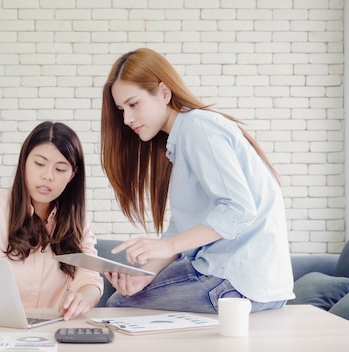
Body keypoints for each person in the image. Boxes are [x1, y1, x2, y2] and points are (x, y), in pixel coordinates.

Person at [99, 48, 295, 313]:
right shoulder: (182, 141)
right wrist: (144, 276)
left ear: (164, 92)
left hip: (237, 282)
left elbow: (238, 210)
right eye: (122, 109)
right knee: (123, 300)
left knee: (119, 307)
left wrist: (165, 246)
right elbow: (181, 229)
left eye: (133, 104)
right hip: (255, 284)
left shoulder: (197, 127)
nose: (127, 119)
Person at [0, 121, 104, 320]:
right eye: (39, 164)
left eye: (61, 169)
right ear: (24, 162)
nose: (47, 176)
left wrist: (84, 298)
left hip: (45, 330)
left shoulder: (78, 223)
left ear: (72, 175)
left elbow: (88, 277)